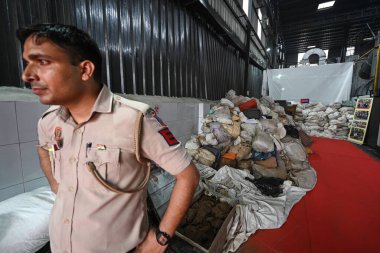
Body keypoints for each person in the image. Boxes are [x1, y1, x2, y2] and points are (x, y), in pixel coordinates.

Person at [17, 23, 200, 253]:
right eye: (27, 63)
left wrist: (161, 237)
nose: (27, 75)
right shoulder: (49, 121)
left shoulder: (135, 119)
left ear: (85, 70)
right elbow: (44, 149)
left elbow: (188, 175)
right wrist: (57, 185)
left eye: (42, 62)